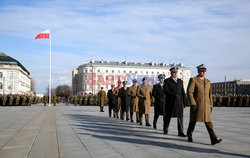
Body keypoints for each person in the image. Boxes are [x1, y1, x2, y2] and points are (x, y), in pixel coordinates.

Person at [186, 64, 222, 145]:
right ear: (198, 71)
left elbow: (210, 94)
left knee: (209, 123)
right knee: (193, 121)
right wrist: (192, 103)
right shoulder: (194, 80)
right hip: (197, 105)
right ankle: (189, 135)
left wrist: (211, 105)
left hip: (206, 107)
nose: (203, 72)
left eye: (204, 71)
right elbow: (189, 92)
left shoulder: (208, 81)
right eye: (202, 71)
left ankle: (213, 139)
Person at [163, 67, 186, 137]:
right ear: (171, 73)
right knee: (168, 116)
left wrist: (185, 102)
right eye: (174, 72)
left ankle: (180, 132)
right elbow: (165, 90)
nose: (175, 74)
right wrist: (173, 95)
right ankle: (166, 128)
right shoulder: (167, 81)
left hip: (179, 102)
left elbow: (183, 92)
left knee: (180, 117)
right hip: (170, 102)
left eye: (176, 72)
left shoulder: (180, 81)